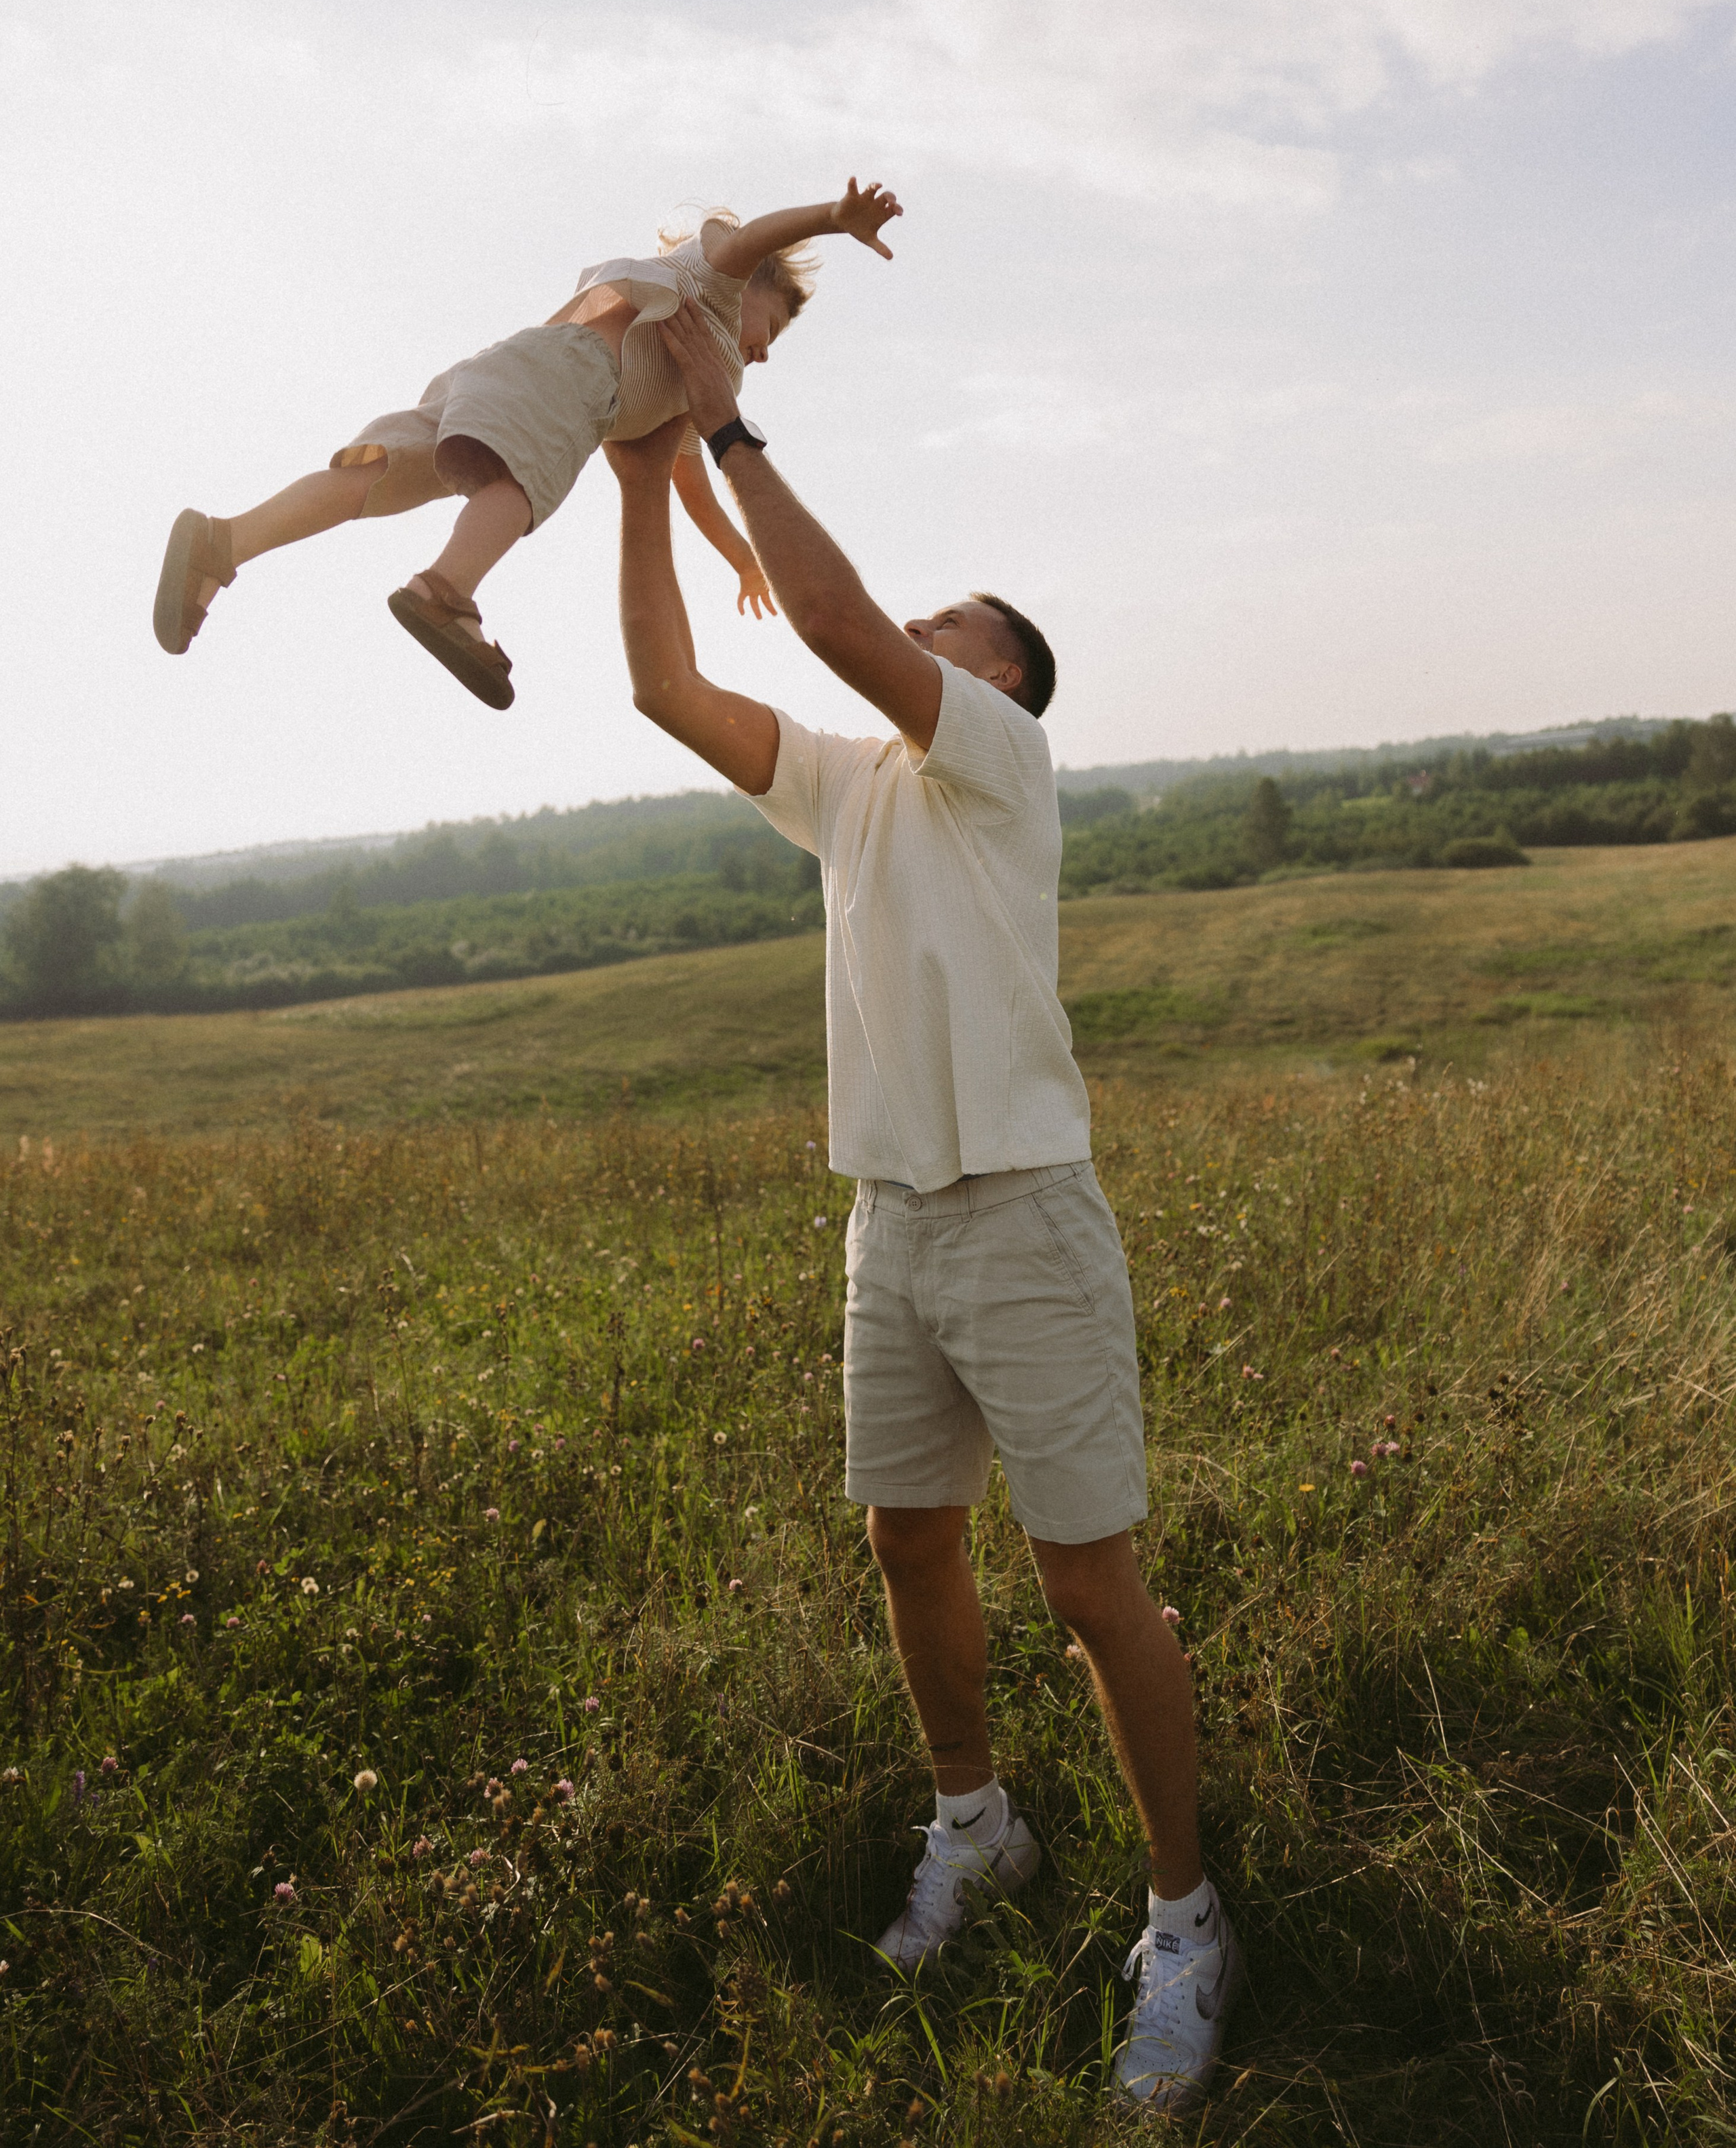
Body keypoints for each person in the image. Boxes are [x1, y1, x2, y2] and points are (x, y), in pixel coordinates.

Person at [604, 302, 1244, 2113]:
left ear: (1003, 676)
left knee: (1089, 1584)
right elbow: (664, 688)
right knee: (906, 1541)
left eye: (954, 620)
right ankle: (976, 1828)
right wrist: (642, 480)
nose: (922, 625)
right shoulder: (848, 787)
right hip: (888, 1222)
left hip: (1026, 1212)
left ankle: (1185, 1920)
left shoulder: (996, 761)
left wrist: (723, 424)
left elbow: (829, 621)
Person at [151, 179, 903, 710]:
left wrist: (741, 558)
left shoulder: (686, 381)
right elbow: (751, 240)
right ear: (751, 290)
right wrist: (832, 218)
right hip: (575, 374)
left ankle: (225, 542)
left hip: (506, 370)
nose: (763, 353)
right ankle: (445, 593)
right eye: (773, 329)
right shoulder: (715, 294)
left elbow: (689, 484)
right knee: (516, 486)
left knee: (372, 480)